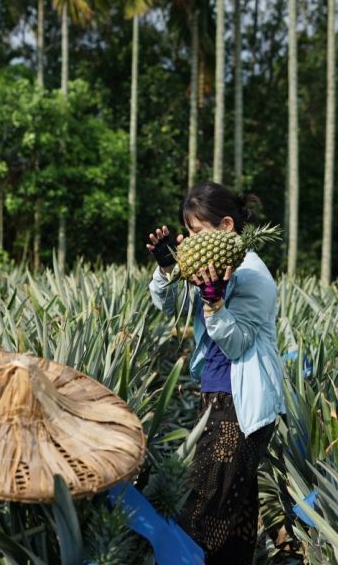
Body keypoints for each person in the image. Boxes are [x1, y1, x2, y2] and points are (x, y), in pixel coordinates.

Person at [145, 182, 286, 564]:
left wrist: (215, 303)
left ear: (226, 227)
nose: (190, 241)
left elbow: (238, 342)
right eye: (187, 233)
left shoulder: (253, 276)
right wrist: (166, 266)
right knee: (235, 505)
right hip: (218, 395)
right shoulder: (211, 266)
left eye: (196, 233)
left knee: (206, 500)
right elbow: (169, 304)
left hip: (241, 404)